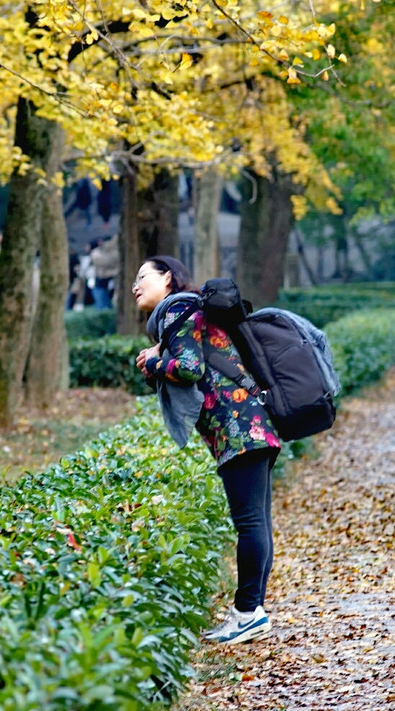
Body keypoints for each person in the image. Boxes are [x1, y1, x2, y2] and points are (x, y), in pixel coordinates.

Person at [134, 255, 281, 645]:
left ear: (168, 278)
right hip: (252, 423)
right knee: (257, 523)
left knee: (250, 523)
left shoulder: (177, 309)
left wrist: (153, 362)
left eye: (143, 277)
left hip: (238, 428)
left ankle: (248, 612)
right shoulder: (190, 311)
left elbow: (188, 367)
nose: (135, 285)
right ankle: (253, 610)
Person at [89, 235, 120, 309]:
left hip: (105, 281)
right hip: (103, 281)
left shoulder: (97, 253)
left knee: (103, 303)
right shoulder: (97, 253)